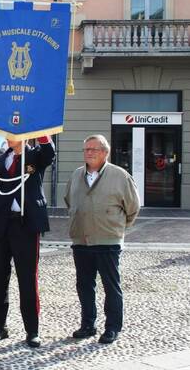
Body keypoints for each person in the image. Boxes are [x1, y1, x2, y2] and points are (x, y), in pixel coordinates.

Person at [65, 134, 140, 344]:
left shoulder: (119, 176)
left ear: (105, 153)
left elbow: (133, 207)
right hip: (81, 240)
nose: (89, 153)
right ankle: (88, 324)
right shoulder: (77, 175)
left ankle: (113, 327)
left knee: (111, 286)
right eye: (86, 149)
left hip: (108, 241)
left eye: (94, 149)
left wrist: (116, 228)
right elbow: (69, 201)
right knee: (84, 285)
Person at [0, 135, 55, 348]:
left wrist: (40, 130)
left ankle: (32, 330)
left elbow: (49, 153)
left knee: (27, 279)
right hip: (1, 226)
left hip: (26, 224)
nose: (9, 136)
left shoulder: (36, 156)